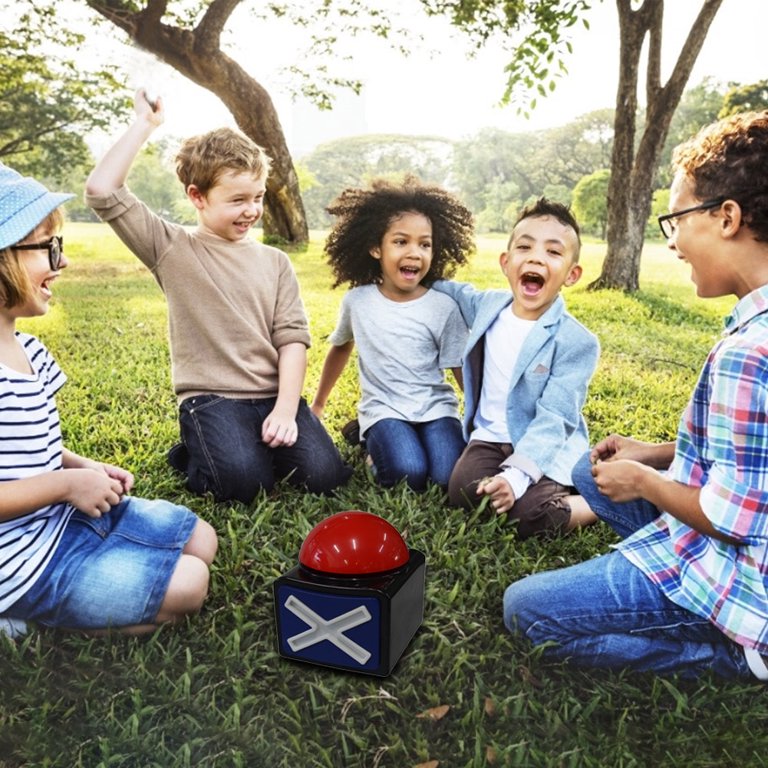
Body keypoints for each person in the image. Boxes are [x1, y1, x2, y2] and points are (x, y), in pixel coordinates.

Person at [503, 110, 768, 680]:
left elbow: (736, 520)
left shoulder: (752, 352)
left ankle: (736, 655)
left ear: (727, 217)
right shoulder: (755, 324)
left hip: (742, 576)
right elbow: (754, 455)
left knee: (527, 611)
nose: (672, 243)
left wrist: (645, 482)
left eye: (675, 220)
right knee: (586, 468)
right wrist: (654, 453)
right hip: (736, 541)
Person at [85, 90, 351, 505]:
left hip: (271, 395)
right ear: (197, 197)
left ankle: (249, 445)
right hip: (211, 399)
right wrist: (146, 125)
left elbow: (292, 341)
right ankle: (195, 450)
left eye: (258, 197)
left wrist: (284, 410)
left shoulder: (275, 261)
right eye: (238, 200)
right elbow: (102, 191)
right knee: (242, 485)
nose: (251, 210)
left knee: (324, 476)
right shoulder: (170, 247)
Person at [0, 162, 217, 638]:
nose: (63, 263)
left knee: (203, 540)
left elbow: (26, 449)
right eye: (48, 247)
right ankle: (31, 621)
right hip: (20, 564)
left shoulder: (30, 349)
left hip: (61, 520)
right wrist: (64, 487)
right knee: (189, 586)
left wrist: (82, 467)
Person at [432, 198, 599, 539]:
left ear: (572, 274)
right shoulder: (487, 306)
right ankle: (512, 487)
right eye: (525, 247)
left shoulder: (576, 341)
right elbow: (448, 288)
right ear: (507, 263)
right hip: (490, 439)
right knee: (463, 493)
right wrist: (409, 272)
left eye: (553, 252)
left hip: (543, 444)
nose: (536, 257)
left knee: (527, 515)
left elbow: (555, 418)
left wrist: (516, 477)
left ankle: (593, 502)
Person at [310, 177, 474, 491]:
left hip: (436, 408)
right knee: (407, 473)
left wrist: (483, 417)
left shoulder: (443, 306)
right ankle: (371, 444)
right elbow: (341, 347)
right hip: (384, 409)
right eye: (401, 242)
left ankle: (377, 438)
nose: (415, 252)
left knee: (445, 478)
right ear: (375, 248)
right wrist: (319, 404)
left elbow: (458, 366)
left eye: (424, 244)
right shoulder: (358, 301)